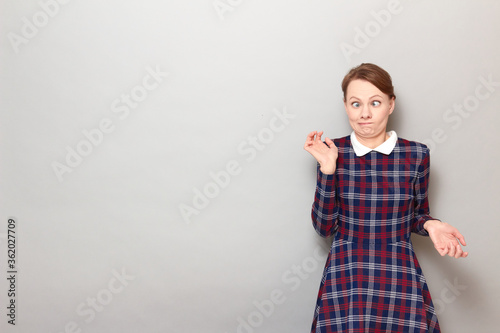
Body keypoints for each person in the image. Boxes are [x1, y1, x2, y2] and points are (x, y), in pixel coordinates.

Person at [303, 63, 468, 333]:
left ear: (391, 104)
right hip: (347, 274)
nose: (365, 113)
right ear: (345, 106)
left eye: (375, 102)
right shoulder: (331, 151)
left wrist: (430, 224)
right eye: (356, 104)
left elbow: (418, 215)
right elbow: (324, 228)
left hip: (397, 271)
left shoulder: (416, 154)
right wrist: (328, 169)